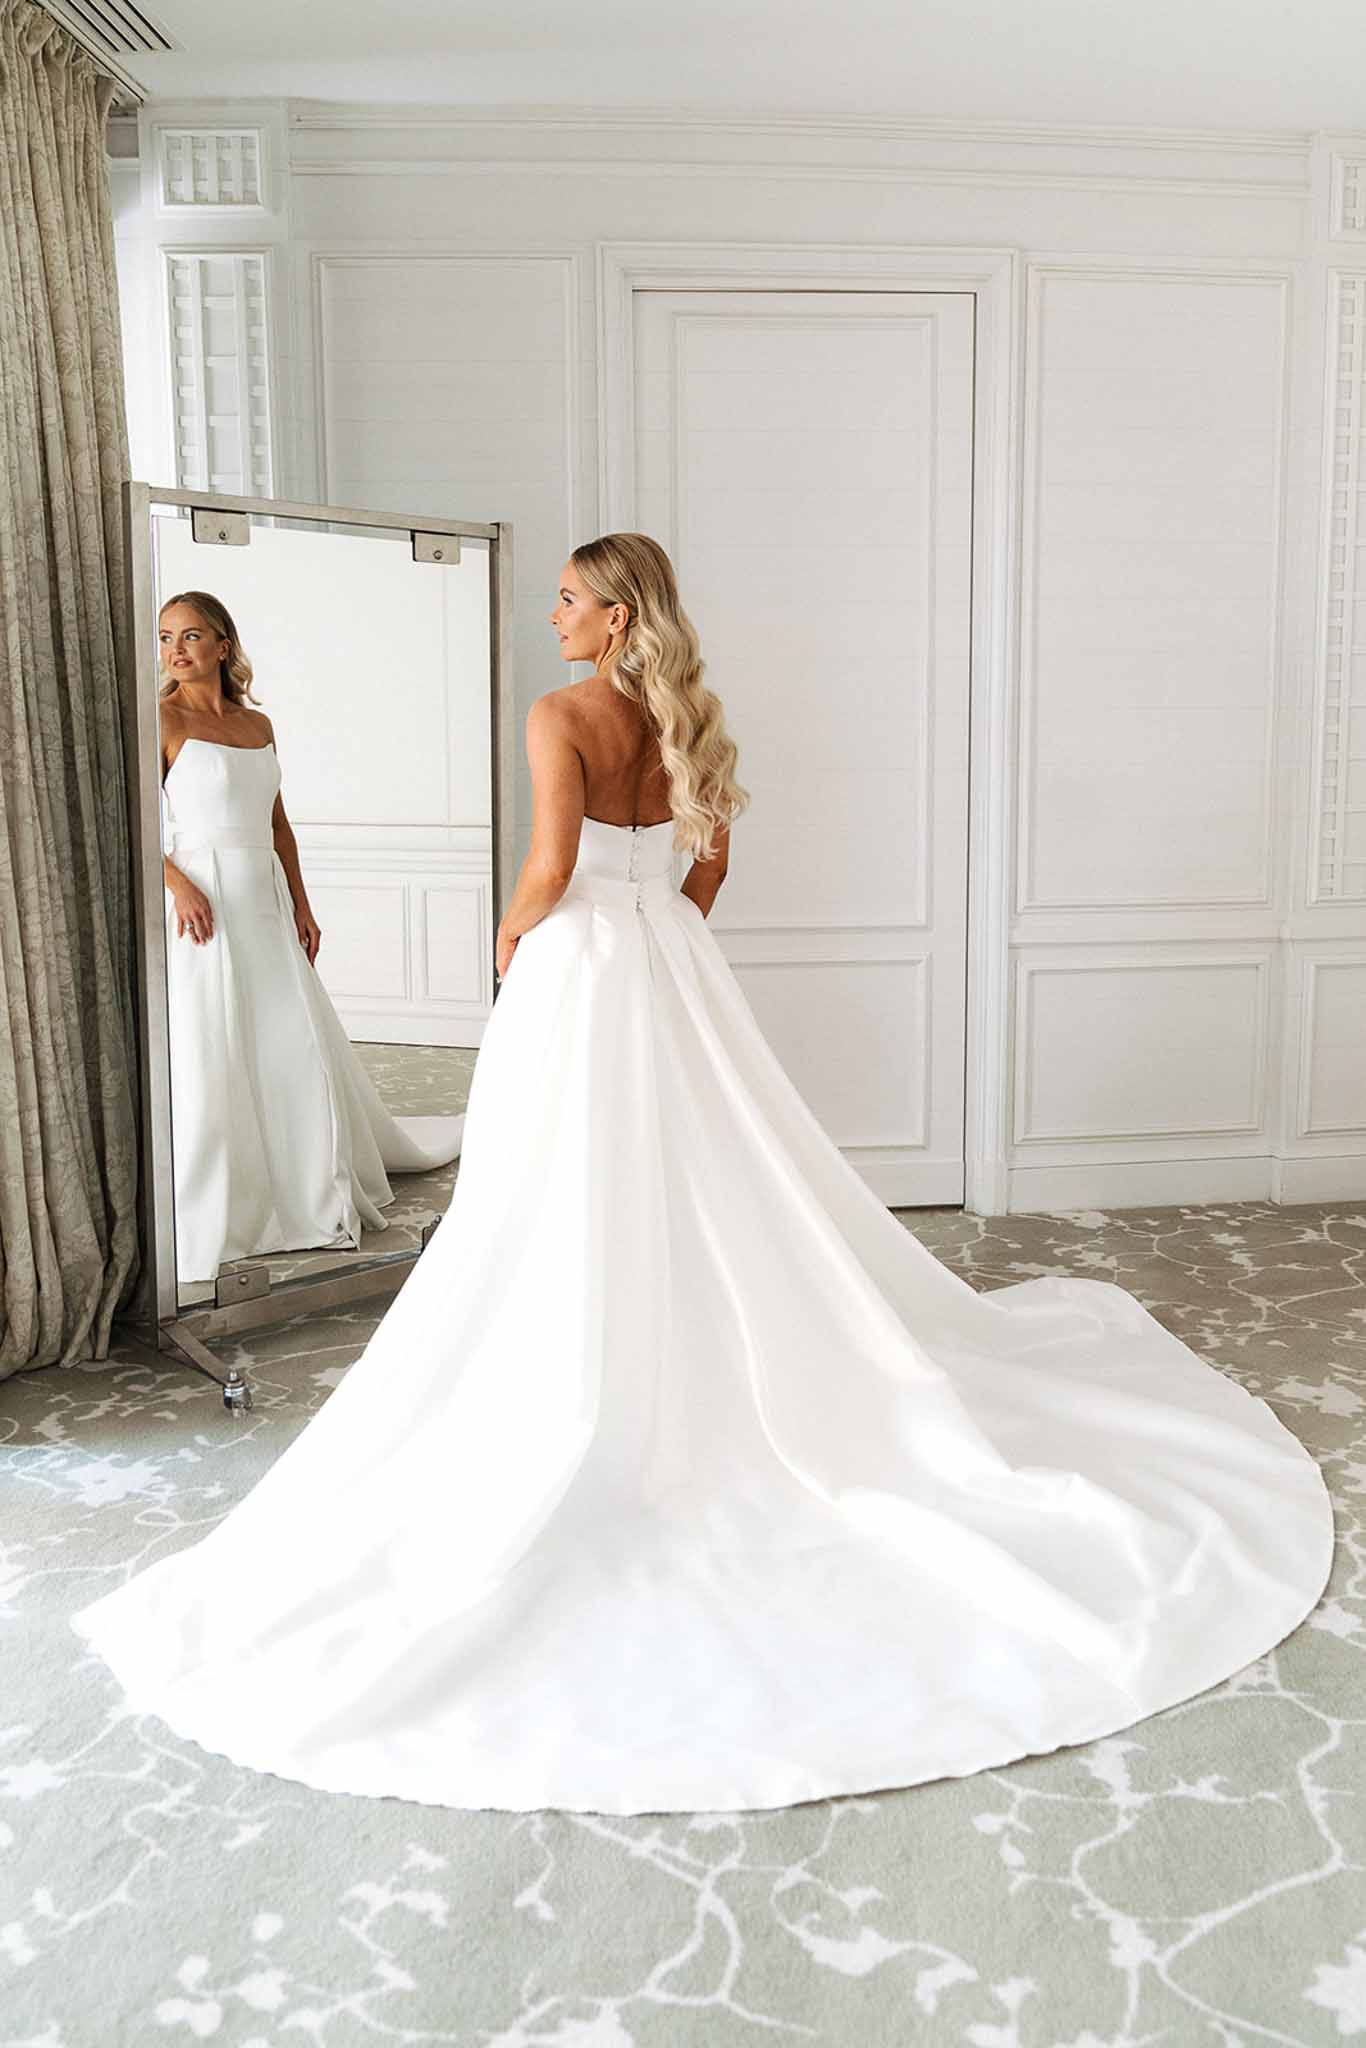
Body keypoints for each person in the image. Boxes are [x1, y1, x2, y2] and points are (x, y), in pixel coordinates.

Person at [70, 537, 1333, 1817]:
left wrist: (513, 940)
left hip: (579, 962)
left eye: (567, 599)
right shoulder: (680, 716)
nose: (553, 615)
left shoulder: (557, 713)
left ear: (614, 616)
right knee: (706, 1167)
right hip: (666, 953)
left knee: (563, 1183)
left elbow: (552, 869)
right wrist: (657, 930)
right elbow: (710, 861)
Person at [156, 590, 464, 1286]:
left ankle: (308, 1177)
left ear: (223, 645)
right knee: (216, 1039)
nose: (177, 649)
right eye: (167, 636)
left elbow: (278, 824)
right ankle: (230, 1196)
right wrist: (177, 883)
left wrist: (302, 902)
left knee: (285, 1033)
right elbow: (136, 819)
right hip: (203, 896)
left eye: (193, 635)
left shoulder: (256, 724)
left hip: (260, 892)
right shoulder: (160, 718)